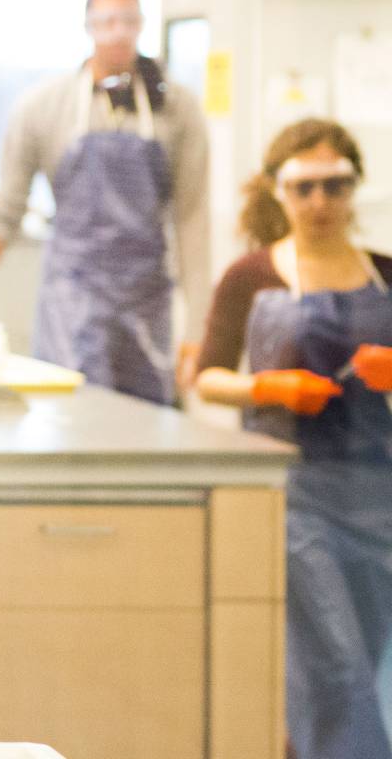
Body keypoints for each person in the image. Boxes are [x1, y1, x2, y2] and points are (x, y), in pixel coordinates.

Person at [195, 119, 392, 759]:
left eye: (335, 186)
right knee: (335, 662)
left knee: (365, 664)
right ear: (278, 191)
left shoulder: (385, 274)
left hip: (379, 499)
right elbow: (207, 377)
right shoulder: (251, 276)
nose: (320, 203)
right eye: (304, 188)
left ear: (354, 189)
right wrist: (269, 388)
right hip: (295, 496)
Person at [0, 0, 209, 406]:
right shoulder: (44, 108)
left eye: (128, 21)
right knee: (72, 415)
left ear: (141, 25)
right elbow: (3, 216)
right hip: (72, 298)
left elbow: (193, 221)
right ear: (88, 28)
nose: (118, 33)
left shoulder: (177, 109)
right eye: (106, 22)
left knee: (144, 424)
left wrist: (197, 331)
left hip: (146, 302)